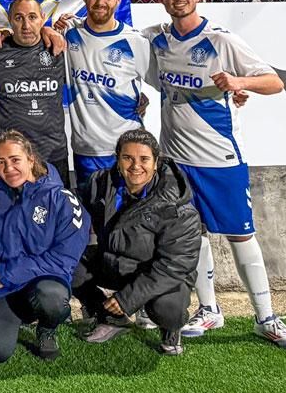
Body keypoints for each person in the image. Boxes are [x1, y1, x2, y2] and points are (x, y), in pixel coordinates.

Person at [144, 0, 286, 352]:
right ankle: (209, 309)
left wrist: (240, 83)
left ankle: (266, 317)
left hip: (220, 159)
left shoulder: (221, 39)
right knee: (193, 234)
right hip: (176, 162)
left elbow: (274, 81)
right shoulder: (156, 39)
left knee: (240, 234)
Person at [75, 130, 202, 356]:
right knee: (67, 265)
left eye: (144, 159)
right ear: (118, 159)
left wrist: (127, 298)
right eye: (127, 158)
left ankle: (171, 328)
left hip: (159, 273)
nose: (135, 166)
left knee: (166, 308)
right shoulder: (100, 183)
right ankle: (112, 318)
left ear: (156, 163)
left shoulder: (178, 206)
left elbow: (174, 266)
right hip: (115, 262)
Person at [0, 131, 88, 363]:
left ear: (31, 159)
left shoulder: (61, 199)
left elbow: (63, 259)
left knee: (52, 300)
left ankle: (47, 327)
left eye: (15, 160)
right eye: (1, 162)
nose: (9, 168)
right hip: (1, 285)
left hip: (41, 281)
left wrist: (14, 270)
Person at [59, 0, 153, 187]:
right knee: (94, 215)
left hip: (128, 148)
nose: (101, 2)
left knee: (131, 215)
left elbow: (163, 81)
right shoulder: (69, 33)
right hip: (87, 149)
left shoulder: (135, 41)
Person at [0, 0, 70, 185]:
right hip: (8, 159)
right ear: (10, 21)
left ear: (43, 18)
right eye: (19, 18)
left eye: (32, 17)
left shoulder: (59, 49)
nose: (26, 25)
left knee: (57, 213)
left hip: (52, 154)